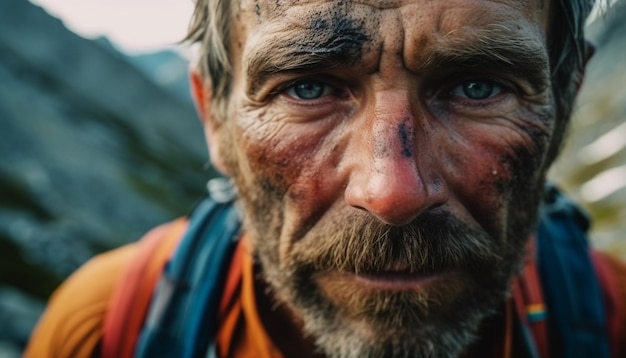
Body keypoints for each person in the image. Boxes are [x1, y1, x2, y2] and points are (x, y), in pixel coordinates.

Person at [25, 0, 626, 357]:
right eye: (307, 86)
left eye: (478, 86)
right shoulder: (106, 330)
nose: (392, 193)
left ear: (566, 101)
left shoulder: (612, 315)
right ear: (213, 114)